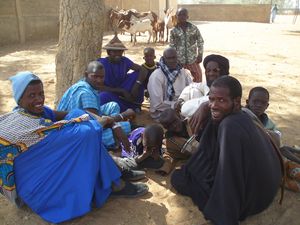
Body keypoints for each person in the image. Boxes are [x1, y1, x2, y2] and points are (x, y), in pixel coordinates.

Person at [0, 71, 148, 223]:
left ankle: (113, 173)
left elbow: (74, 114)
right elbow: (85, 130)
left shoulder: (37, 112)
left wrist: (113, 123)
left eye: (41, 93)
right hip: (36, 186)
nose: (39, 99)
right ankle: (114, 178)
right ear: (19, 100)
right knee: (86, 134)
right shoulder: (23, 125)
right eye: (32, 95)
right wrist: (110, 122)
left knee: (80, 117)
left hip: (47, 166)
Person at [171, 76, 283, 225]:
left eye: (221, 100)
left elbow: (229, 172)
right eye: (211, 99)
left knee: (180, 179)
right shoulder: (243, 116)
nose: (213, 105)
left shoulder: (229, 126)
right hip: (266, 191)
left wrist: (224, 214)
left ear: (236, 102)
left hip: (253, 201)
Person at [57, 61, 133, 152]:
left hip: (87, 119)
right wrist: (122, 116)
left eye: (101, 77)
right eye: (95, 76)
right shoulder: (85, 93)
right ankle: (114, 138)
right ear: (86, 74)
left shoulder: (84, 84)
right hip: (76, 132)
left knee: (113, 105)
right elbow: (96, 124)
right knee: (126, 126)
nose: (99, 80)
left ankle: (115, 131)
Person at [245, 86, 300, 192]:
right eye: (255, 101)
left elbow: (277, 137)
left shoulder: (265, 119)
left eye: (263, 103)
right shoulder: (243, 116)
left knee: (284, 149)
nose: (259, 105)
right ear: (248, 101)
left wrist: (269, 135)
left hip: (273, 154)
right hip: (257, 162)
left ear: (267, 106)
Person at [97, 35, 148, 112]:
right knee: (102, 96)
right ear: (109, 52)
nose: (118, 54)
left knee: (138, 75)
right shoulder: (102, 64)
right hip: (111, 92)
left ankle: (135, 105)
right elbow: (99, 87)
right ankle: (126, 108)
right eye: (114, 51)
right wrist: (121, 91)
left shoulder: (124, 60)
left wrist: (136, 86)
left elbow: (143, 70)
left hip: (124, 89)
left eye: (120, 51)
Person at [147, 47, 192, 120]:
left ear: (177, 58)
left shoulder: (184, 72)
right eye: (168, 58)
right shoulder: (156, 76)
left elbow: (191, 89)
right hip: (161, 112)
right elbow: (157, 104)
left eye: (174, 58)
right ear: (164, 59)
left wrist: (182, 103)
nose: (172, 61)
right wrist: (175, 105)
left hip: (181, 106)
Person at [157, 108, 198, 175]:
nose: (174, 126)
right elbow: (170, 154)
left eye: (175, 121)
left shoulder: (192, 122)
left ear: (179, 115)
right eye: (169, 126)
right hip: (192, 156)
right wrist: (165, 168)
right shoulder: (170, 139)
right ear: (166, 128)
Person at [169, 8, 204, 82]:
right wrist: (174, 59)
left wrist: (200, 54)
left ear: (187, 17)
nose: (182, 16)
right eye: (179, 15)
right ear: (176, 16)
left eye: (184, 15)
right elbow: (172, 46)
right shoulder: (173, 31)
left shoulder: (193, 28)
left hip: (193, 60)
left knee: (198, 77)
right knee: (179, 80)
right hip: (179, 61)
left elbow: (200, 41)